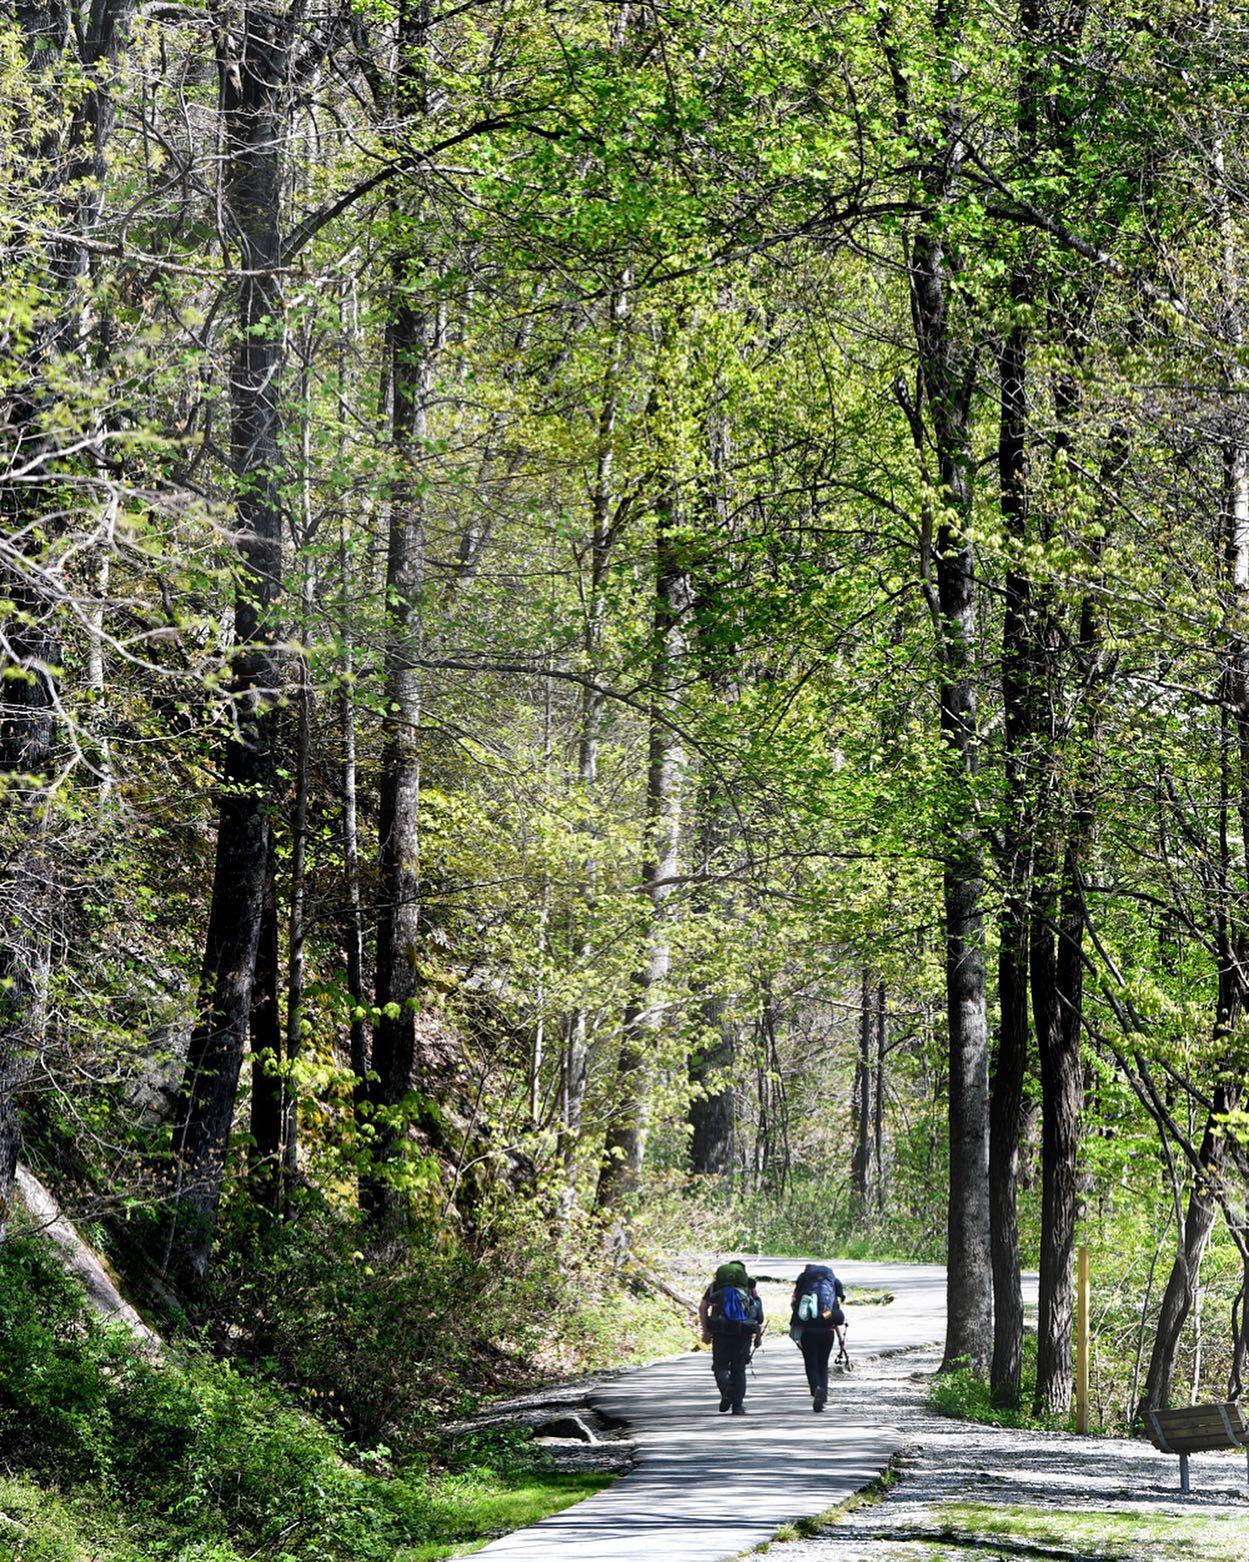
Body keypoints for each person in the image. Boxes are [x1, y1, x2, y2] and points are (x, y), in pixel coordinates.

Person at [700, 1260, 764, 1416]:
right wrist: (758, 1334)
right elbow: (757, 1313)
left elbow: (702, 1307)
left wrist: (706, 1331)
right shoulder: (748, 1286)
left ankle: (727, 1389)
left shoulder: (715, 1286)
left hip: (720, 1332)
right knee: (739, 1369)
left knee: (720, 1367)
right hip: (743, 1333)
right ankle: (738, 1406)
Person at [789, 1262, 846, 1412]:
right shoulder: (832, 1280)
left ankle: (816, 1390)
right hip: (828, 1329)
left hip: (808, 1330)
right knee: (823, 1365)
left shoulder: (803, 1279)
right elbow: (841, 1297)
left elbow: (794, 1302)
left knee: (811, 1363)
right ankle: (824, 1394)